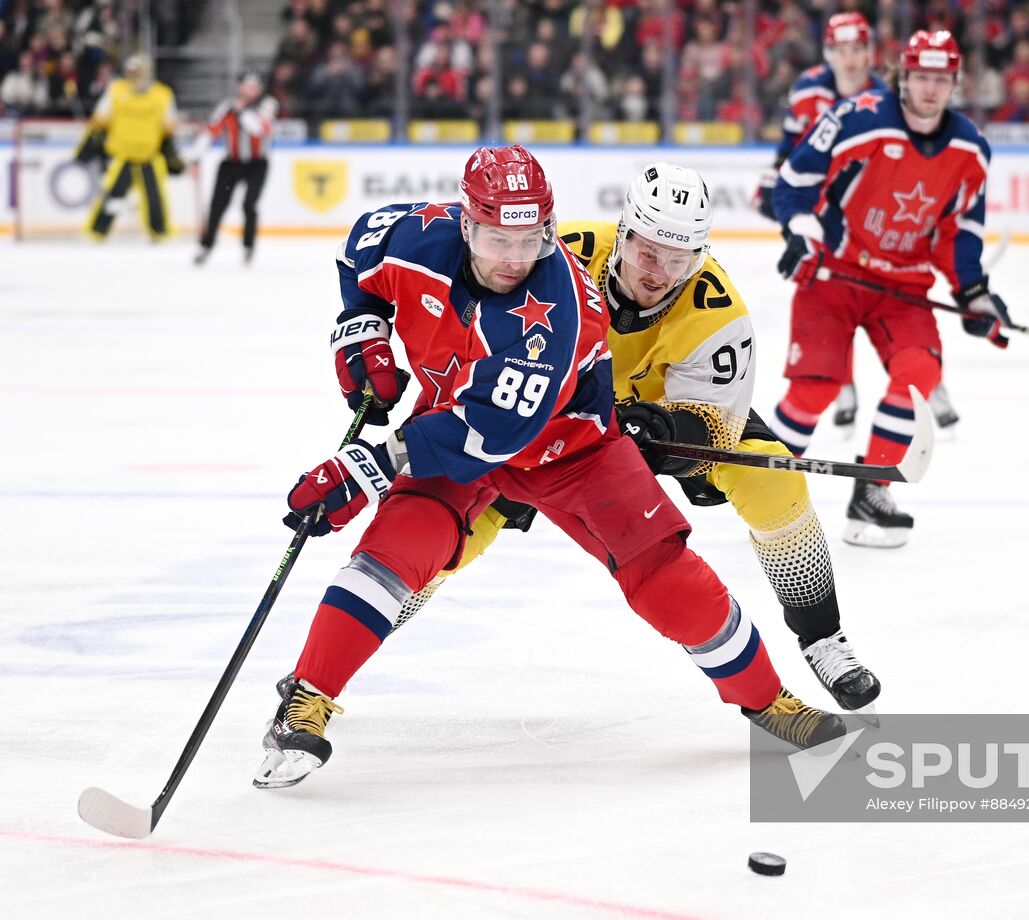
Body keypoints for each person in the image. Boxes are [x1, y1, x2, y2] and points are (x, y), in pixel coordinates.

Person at [255, 146, 845, 789]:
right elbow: (362, 253)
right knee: (402, 545)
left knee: (663, 573)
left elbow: (491, 433)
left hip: (570, 446)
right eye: (497, 237)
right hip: (461, 422)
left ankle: (767, 700)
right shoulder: (415, 236)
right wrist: (361, 328)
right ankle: (308, 694)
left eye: (531, 239)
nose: (515, 258)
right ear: (464, 223)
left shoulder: (557, 310)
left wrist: (362, 467)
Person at [396, 162, 880, 712]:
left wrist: (665, 429)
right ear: (622, 232)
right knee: (447, 531)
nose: (658, 271)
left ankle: (822, 636)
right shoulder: (561, 254)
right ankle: (364, 628)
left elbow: (716, 423)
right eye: (648, 250)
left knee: (776, 484)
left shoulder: (719, 313)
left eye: (679, 258)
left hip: (657, 422)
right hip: (545, 425)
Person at [770, 30, 1009, 549]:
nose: (929, 88)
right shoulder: (858, 117)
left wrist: (974, 292)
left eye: (940, 78)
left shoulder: (970, 148)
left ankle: (871, 491)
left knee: (919, 373)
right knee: (814, 391)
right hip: (834, 273)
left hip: (902, 286)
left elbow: (959, 230)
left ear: (955, 82)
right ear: (904, 75)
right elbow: (793, 181)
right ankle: (767, 489)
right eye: (921, 76)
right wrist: (802, 231)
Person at [757, 12, 959, 434]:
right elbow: (790, 150)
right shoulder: (808, 90)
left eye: (858, 50)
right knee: (830, 292)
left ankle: (921, 377)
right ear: (828, 52)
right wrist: (779, 192)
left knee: (871, 292)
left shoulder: (886, 98)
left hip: (860, 212)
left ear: (870, 53)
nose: (850, 60)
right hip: (817, 205)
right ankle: (838, 382)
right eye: (841, 50)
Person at [74, 53, 184, 241]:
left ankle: (159, 232)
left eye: (139, 72)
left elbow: (169, 129)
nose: (135, 76)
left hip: (149, 156)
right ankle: (98, 231)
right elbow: (100, 122)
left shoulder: (162, 95)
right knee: (112, 197)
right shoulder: (116, 91)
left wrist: (172, 156)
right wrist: (87, 148)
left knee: (154, 198)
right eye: (132, 72)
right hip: (120, 156)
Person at [193, 71, 278, 266]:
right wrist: (195, 156)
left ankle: (248, 246)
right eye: (247, 86)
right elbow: (211, 130)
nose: (251, 90)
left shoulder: (267, 105)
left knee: (249, 205)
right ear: (240, 87)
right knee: (217, 205)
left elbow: (259, 129)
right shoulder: (227, 106)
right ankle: (206, 246)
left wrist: (241, 112)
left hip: (257, 164)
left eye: (255, 86)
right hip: (232, 163)